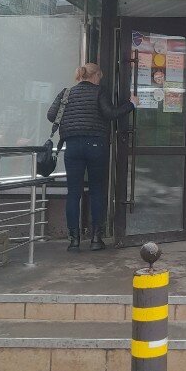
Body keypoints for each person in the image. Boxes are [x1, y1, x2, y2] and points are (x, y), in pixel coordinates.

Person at [47, 63, 136, 252]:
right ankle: (96, 238)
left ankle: (74, 240)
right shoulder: (99, 92)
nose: (99, 81)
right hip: (96, 146)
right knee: (97, 191)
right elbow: (110, 114)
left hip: (72, 146)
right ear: (95, 75)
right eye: (99, 77)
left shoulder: (66, 93)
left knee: (73, 193)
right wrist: (131, 105)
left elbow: (51, 115)